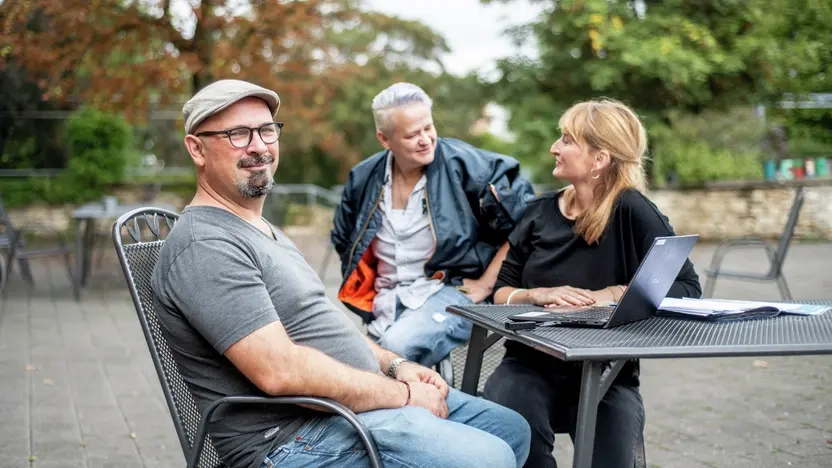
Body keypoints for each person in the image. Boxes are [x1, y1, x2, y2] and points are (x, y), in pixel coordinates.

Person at [150, 79, 531, 468]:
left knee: (509, 427)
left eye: (266, 130)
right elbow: (280, 371)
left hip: (343, 410)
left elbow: (325, 327)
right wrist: (402, 394)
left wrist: (396, 364)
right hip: (295, 438)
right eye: (237, 134)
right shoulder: (206, 245)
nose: (259, 146)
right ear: (197, 148)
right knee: (489, 456)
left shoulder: (263, 231)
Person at [481, 98, 702, 468]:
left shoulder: (634, 211)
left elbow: (687, 287)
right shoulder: (537, 212)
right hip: (528, 367)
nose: (554, 147)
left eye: (566, 140)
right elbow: (500, 292)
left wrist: (610, 295)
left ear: (599, 159)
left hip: (608, 373)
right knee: (516, 437)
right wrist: (537, 294)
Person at [331, 82, 536, 367]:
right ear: (384, 139)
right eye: (412, 134)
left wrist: (485, 284)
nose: (425, 139)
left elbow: (524, 224)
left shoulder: (470, 167)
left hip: (449, 290)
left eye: (428, 128)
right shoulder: (363, 177)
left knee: (393, 350)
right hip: (386, 299)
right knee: (356, 358)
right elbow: (345, 238)